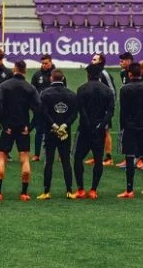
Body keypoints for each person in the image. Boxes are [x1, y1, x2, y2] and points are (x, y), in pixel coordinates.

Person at [0, 61, 41, 202]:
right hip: (23, 127)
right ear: (25, 71)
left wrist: (4, 124)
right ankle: (24, 193)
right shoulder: (30, 87)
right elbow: (39, 109)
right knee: (24, 158)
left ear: (14, 69)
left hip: (8, 128)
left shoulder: (4, 85)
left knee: (2, 158)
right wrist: (30, 127)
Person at [73, 64, 115, 199]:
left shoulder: (81, 89)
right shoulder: (107, 91)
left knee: (78, 158)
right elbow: (110, 112)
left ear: (88, 74)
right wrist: (101, 125)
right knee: (98, 159)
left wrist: (88, 124)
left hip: (85, 129)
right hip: (100, 130)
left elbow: (81, 110)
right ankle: (93, 190)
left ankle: (80, 189)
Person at [37, 70, 79, 200]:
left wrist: (54, 125)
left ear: (51, 78)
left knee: (48, 162)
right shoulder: (72, 94)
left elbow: (43, 112)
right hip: (65, 133)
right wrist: (64, 126)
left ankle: (46, 191)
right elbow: (74, 114)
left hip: (50, 132)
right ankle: (69, 191)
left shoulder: (45, 93)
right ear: (63, 78)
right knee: (66, 161)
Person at [117, 62, 143, 198]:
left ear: (129, 74)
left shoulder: (125, 89)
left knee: (129, 158)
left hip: (129, 127)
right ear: (141, 73)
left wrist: (122, 127)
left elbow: (123, 111)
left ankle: (129, 190)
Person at [88, 53, 116, 166]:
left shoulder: (104, 74)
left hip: (104, 110)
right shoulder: (92, 73)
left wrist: (110, 108)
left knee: (105, 131)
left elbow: (112, 91)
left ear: (100, 61)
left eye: (94, 59)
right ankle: (97, 157)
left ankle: (109, 158)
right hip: (94, 109)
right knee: (94, 131)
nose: (92, 61)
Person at [30, 54, 58, 162]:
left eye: (46, 63)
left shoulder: (57, 74)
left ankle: (59, 154)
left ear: (51, 62)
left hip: (53, 109)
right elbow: (32, 92)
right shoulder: (37, 75)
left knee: (55, 131)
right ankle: (37, 155)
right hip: (40, 108)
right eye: (42, 63)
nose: (44, 65)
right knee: (39, 131)